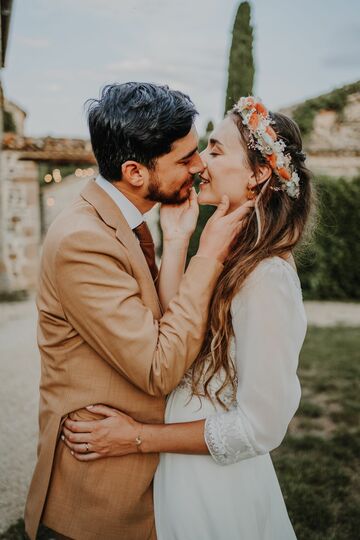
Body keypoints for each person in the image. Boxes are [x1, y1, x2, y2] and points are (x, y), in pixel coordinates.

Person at [63, 96, 314, 539]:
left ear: (258, 174)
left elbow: (262, 426)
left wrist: (137, 436)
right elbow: (174, 331)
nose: (200, 164)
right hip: (179, 472)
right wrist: (177, 240)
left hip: (216, 486)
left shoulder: (268, 276)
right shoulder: (232, 254)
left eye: (215, 151)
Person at [24, 83, 252, 540]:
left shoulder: (126, 222)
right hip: (94, 505)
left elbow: (162, 322)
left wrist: (179, 242)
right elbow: (157, 368)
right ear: (134, 171)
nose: (199, 165)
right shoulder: (82, 241)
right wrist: (207, 256)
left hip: (143, 485)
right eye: (185, 159)